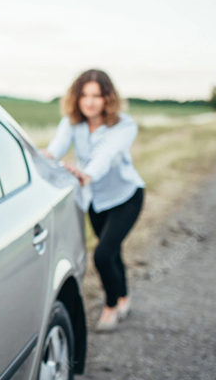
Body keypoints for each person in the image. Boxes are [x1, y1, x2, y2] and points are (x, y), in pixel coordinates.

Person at [42, 69, 145, 331]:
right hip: (96, 201)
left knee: (102, 254)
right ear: (76, 98)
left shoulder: (124, 125)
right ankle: (123, 296)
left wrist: (88, 174)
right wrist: (41, 157)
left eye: (97, 96)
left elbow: (108, 154)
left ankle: (111, 305)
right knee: (113, 252)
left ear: (108, 99)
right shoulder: (71, 123)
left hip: (125, 197)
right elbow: (56, 148)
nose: (89, 102)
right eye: (84, 95)